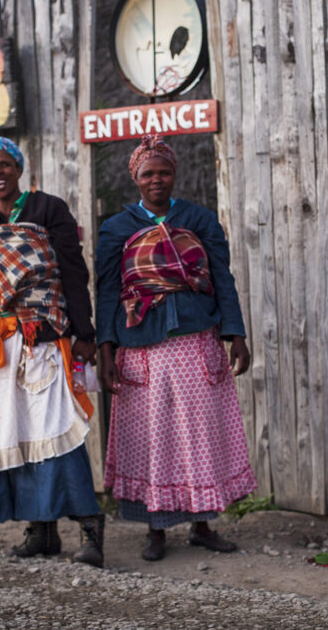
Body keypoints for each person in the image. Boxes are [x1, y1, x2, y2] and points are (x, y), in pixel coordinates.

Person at [95, 134, 257, 561]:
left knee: (199, 437)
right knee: (154, 438)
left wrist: (235, 334)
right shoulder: (117, 228)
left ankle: (203, 525)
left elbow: (221, 277)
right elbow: (108, 292)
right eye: (148, 173)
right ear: (136, 177)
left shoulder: (198, 219)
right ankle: (156, 531)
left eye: (164, 171)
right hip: (141, 348)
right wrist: (106, 349)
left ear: (175, 174)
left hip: (195, 342)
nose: (157, 180)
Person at [0, 136, 105, 567]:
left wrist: (85, 332)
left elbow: (73, 273)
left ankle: (90, 530)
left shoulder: (48, 209)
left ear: (19, 168)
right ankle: (41, 530)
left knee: (57, 432)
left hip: (43, 335)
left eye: (4, 164)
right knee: (14, 431)